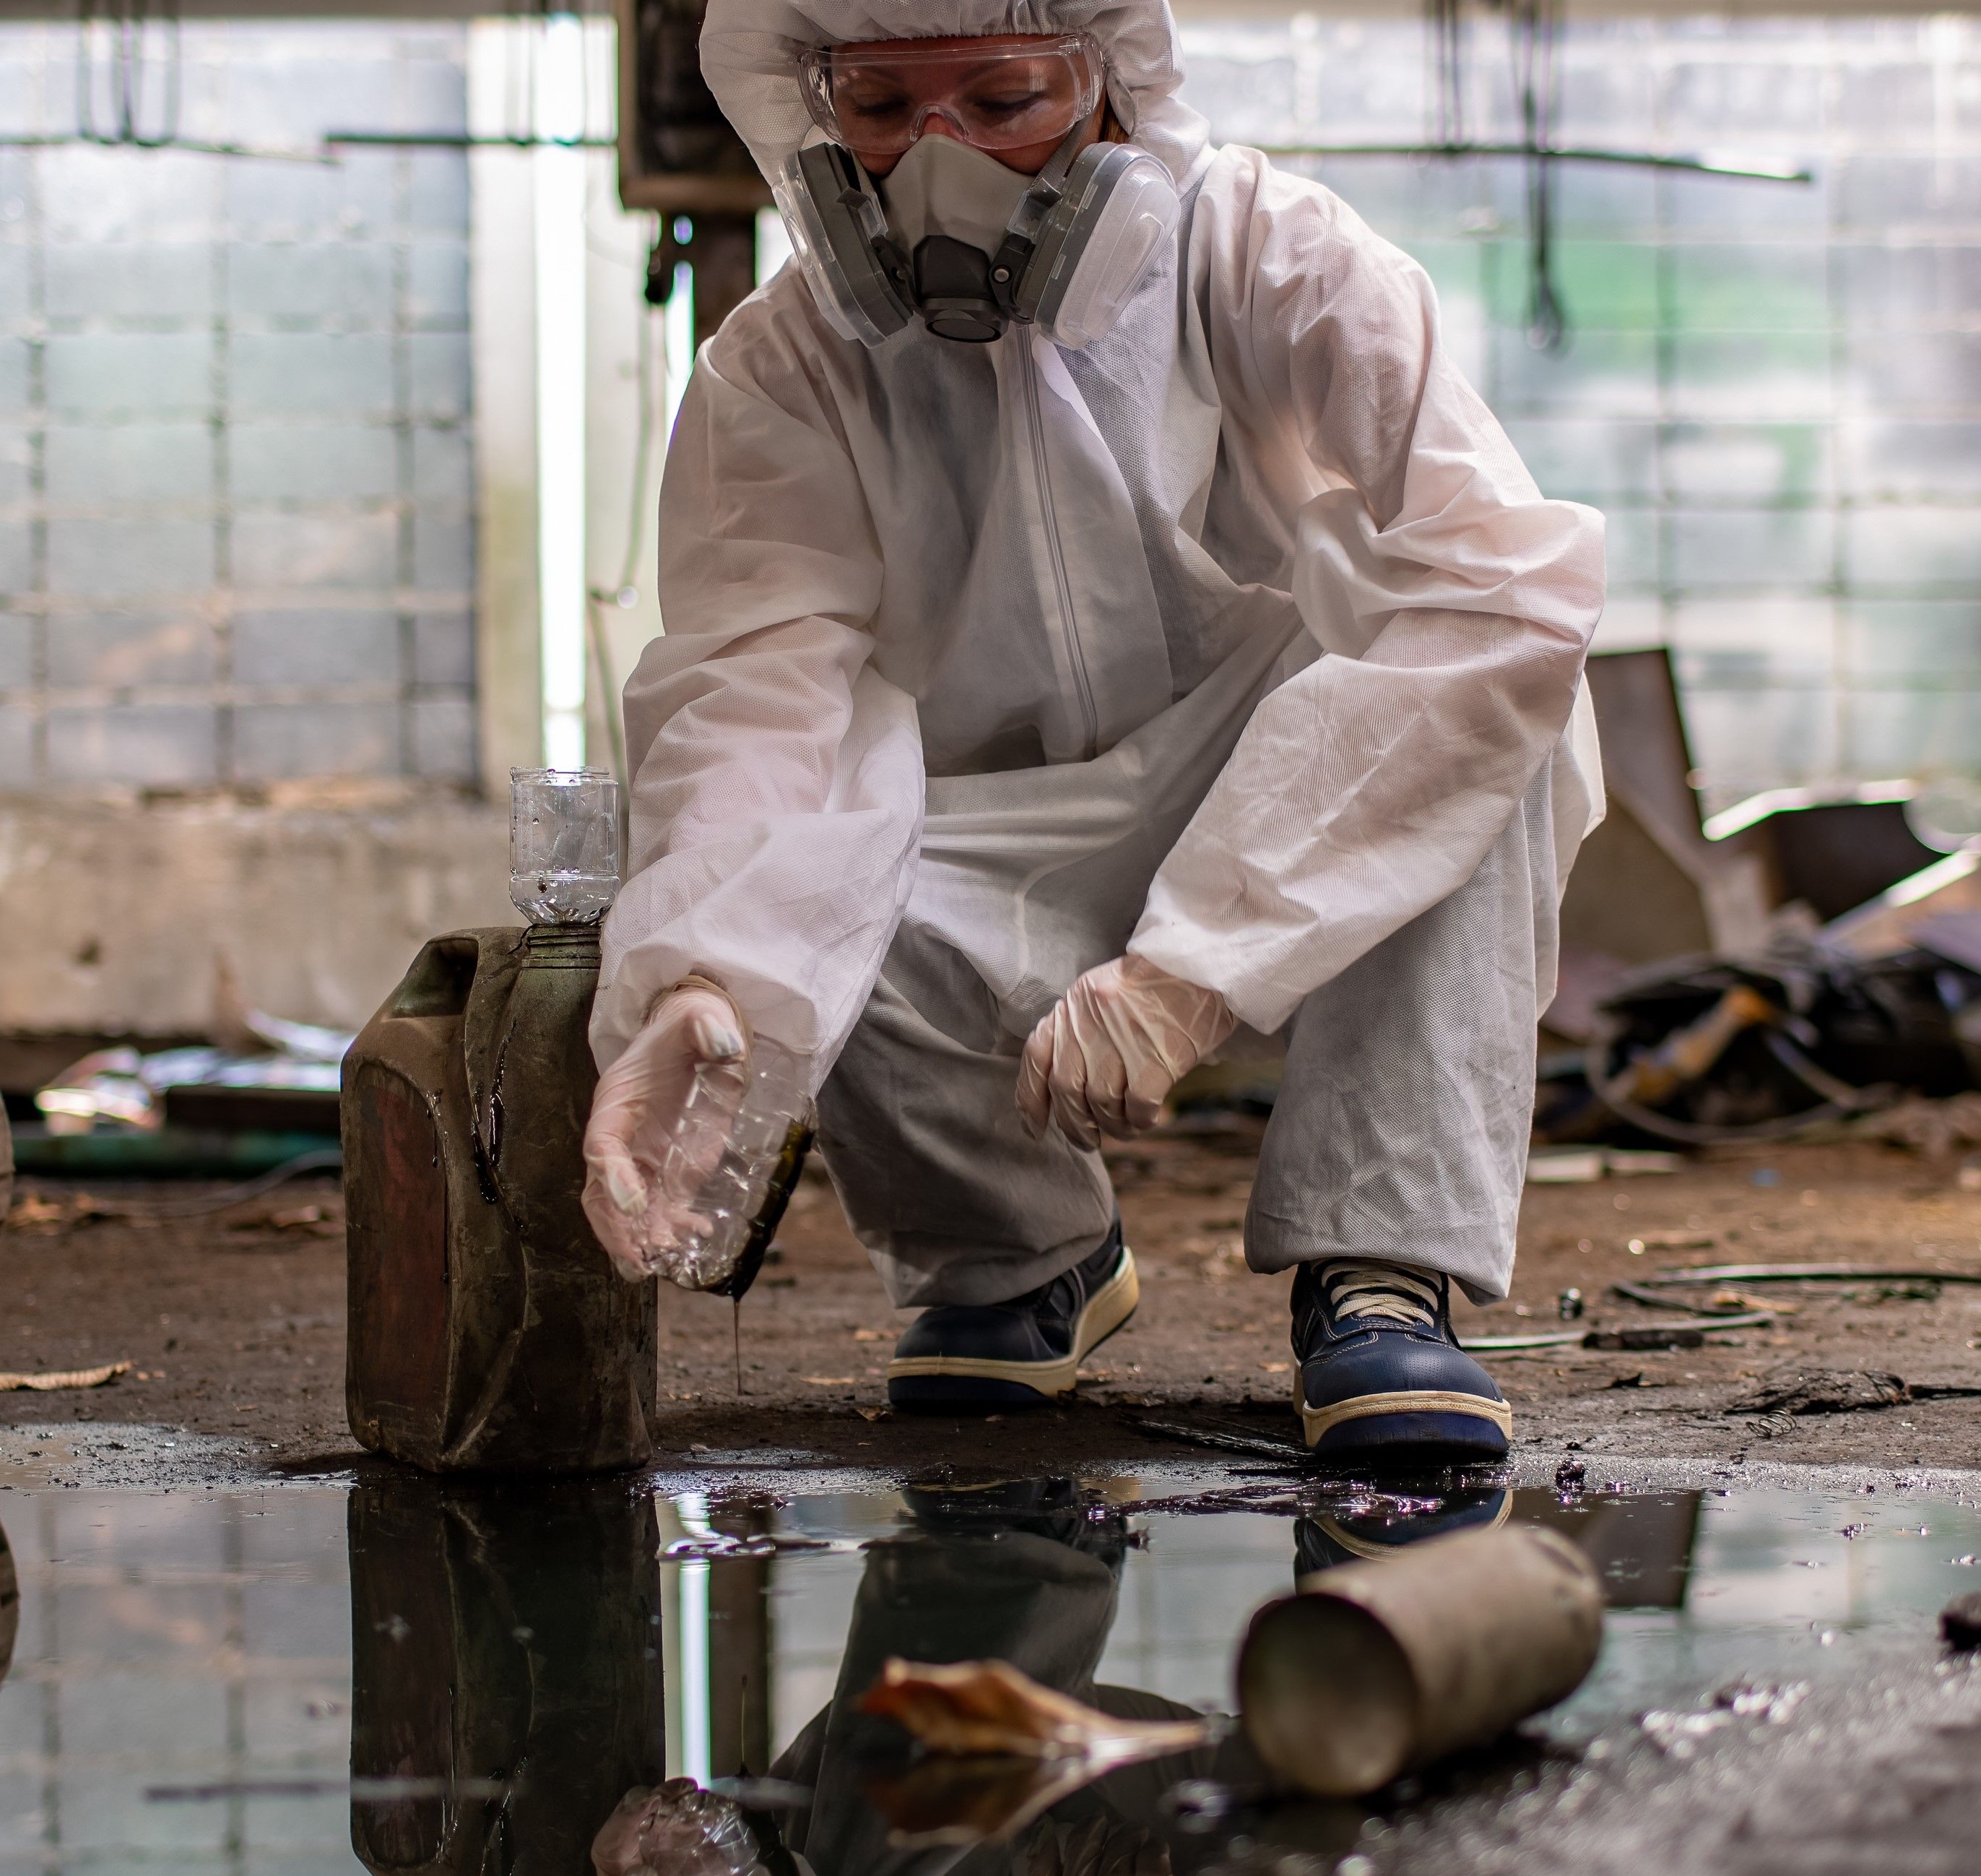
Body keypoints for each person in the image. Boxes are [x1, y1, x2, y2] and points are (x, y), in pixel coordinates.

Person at [578, 0, 1603, 1461]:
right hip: (999, 812)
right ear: (811, 112)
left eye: (1002, 100)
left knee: (1484, 726)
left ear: (1111, 89)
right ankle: (1017, 1256)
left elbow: (1508, 591)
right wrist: (702, 977)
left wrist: (1198, 966)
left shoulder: (1266, 255)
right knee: (815, 885)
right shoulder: (790, 366)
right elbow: (760, 691)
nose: (940, 171)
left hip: (1274, 762)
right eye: (881, 112)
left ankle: (1382, 1264)